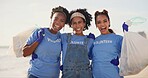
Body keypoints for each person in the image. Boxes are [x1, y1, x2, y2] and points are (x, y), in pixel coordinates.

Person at [22, 6, 69, 78]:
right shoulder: (39, 32)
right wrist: (38, 40)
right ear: (51, 19)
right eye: (56, 19)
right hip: (35, 75)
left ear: (64, 24)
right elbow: (25, 53)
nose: (58, 22)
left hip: (53, 76)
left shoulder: (62, 38)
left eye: (62, 21)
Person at [61, 8, 94, 78]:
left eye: (80, 22)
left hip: (85, 74)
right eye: (74, 23)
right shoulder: (64, 37)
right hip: (68, 74)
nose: (77, 25)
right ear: (71, 25)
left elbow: (93, 57)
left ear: (84, 23)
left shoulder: (90, 40)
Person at [92, 9, 124, 78]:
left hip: (113, 75)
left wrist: (127, 34)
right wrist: (88, 42)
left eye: (105, 21)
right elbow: (89, 57)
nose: (102, 24)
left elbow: (130, 53)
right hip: (96, 75)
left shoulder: (118, 38)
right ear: (96, 25)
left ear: (109, 22)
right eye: (99, 22)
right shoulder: (94, 40)